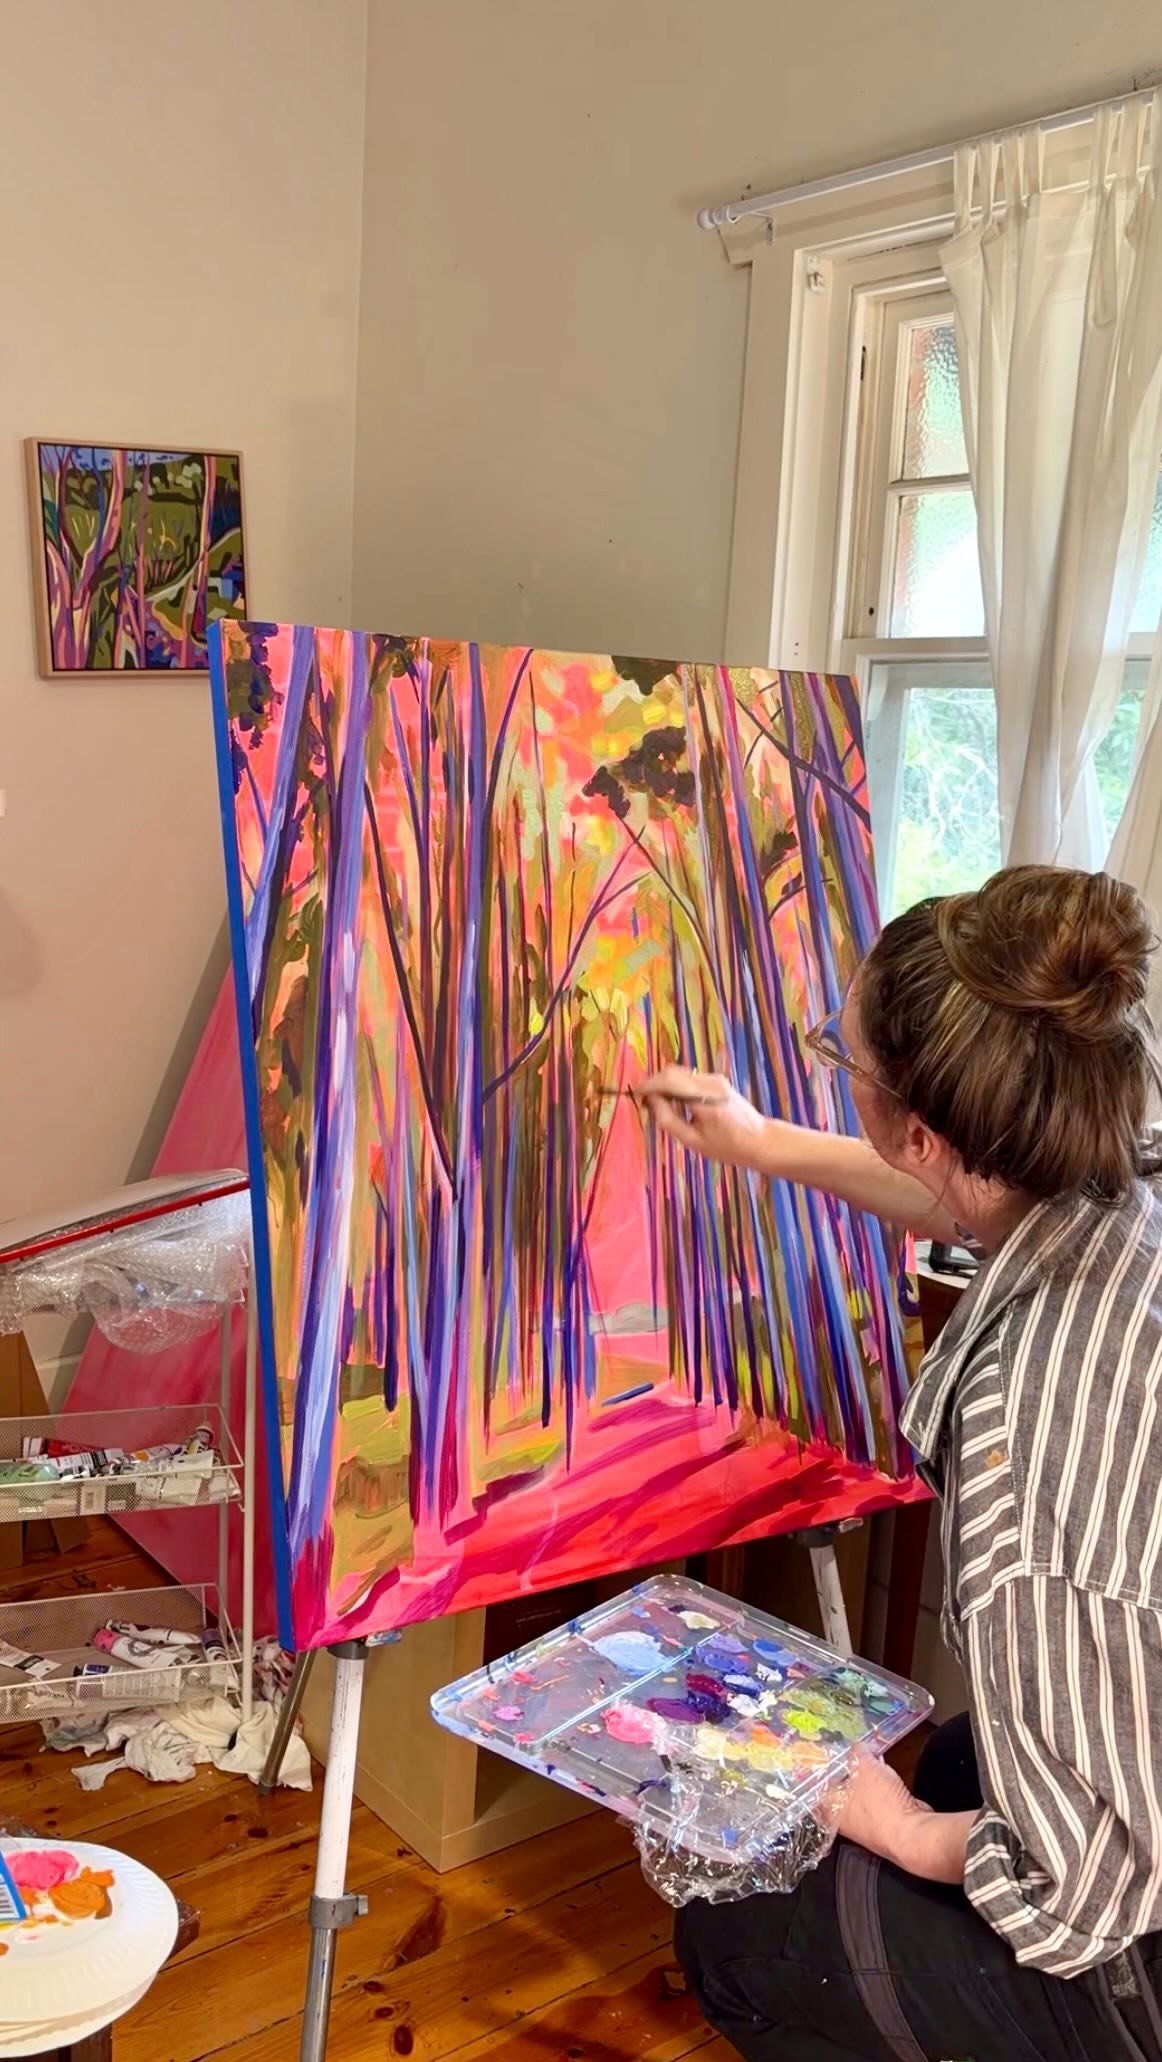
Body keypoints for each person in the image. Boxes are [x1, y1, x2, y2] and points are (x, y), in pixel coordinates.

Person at [643, 865, 1162, 2062]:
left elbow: (1086, 1884)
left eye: (845, 1056)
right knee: (956, 1754)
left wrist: (901, 1830)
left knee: (741, 1935)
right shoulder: (1117, 1173)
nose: (837, 1063)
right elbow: (960, 1193)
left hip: (1132, 1935)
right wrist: (759, 1140)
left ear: (923, 1129)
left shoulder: (1028, 1463)